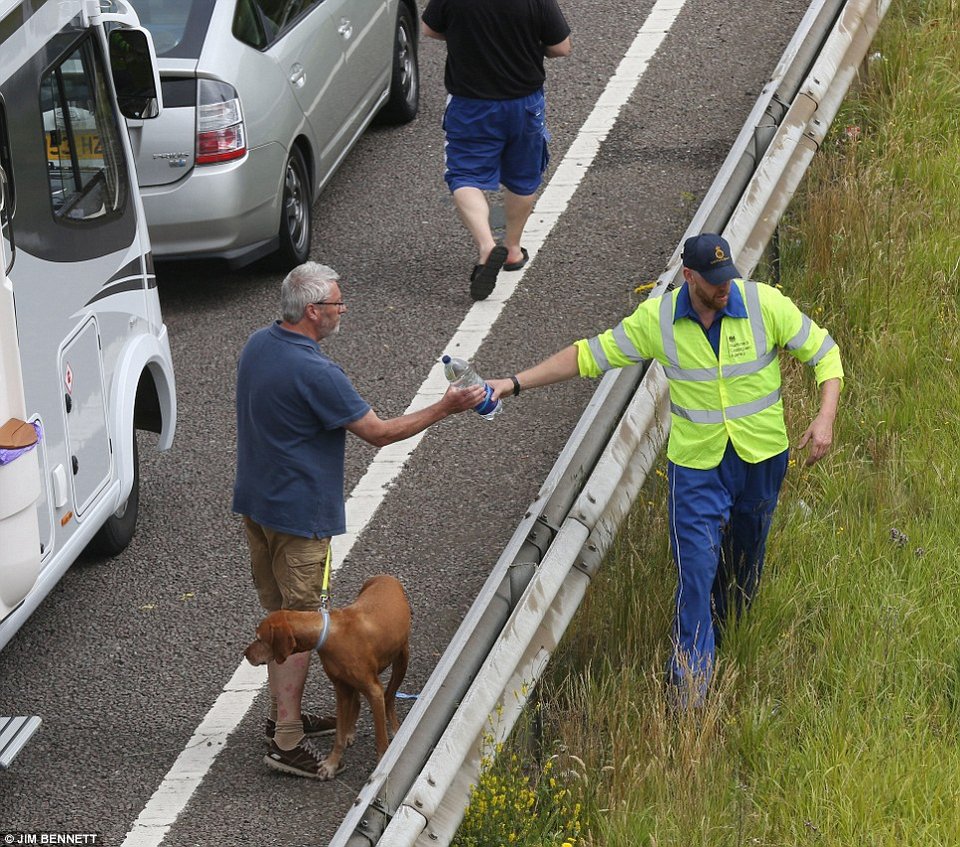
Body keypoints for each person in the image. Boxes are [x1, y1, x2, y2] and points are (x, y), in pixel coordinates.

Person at [487, 233, 843, 704]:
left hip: (761, 460)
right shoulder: (658, 320)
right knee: (695, 571)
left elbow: (826, 353)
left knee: (742, 564)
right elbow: (588, 355)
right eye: (714, 282)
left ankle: (729, 633)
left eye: (728, 279)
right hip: (697, 471)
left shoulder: (761, 304)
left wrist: (824, 419)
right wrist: (513, 384)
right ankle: (690, 686)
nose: (725, 289)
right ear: (688, 276)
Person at [233, 262, 485, 778]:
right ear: (312, 312)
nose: (343, 311)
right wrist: (447, 407)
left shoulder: (259, 344)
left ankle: (287, 715)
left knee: (281, 614)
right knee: (299, 626)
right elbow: (380, 433)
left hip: (258, 506)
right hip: (301, 517)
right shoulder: (318, 373)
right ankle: (285, 739)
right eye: (337, 304)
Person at [421, 0, 572, 301]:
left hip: (470, 104)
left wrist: (466, 40)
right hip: (524, 102)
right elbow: (561, 47)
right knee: (523, 176)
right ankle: (513, 249)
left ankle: (486, 245)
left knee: (465, 175)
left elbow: (429, 28)